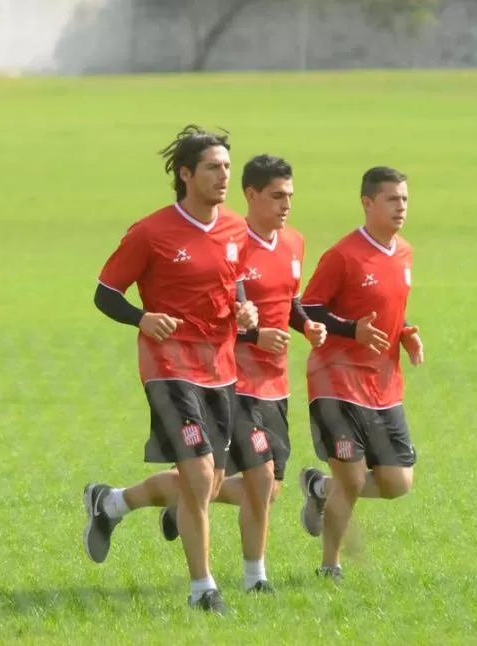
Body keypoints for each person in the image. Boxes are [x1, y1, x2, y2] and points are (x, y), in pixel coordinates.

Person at [83, 125, 258, 614]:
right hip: (168, 366)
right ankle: (204, 589)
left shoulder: (236, 228)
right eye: (212, 167)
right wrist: (143, 317)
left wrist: (247, 313)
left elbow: (237, 283)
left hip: (220, 368)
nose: (223, 175)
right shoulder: (150, 232)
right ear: (185, 174)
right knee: (201, 477)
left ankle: (111, 503)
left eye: (226, 166)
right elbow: (105, 293)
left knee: (208, 483)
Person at [153, 155, 328, 593]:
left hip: (276, 383)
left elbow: (288, 300)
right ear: (251, 196)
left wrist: (305, 324)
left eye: (290, 195)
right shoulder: (232, 243)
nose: (286, 204)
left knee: (262, 490)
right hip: (233, 379)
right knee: (258, 477)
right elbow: (218, 317)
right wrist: (254, 339)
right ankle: (256, 579)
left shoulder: (294, 243)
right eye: (276, 196)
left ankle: (119, 502)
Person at [295, 166, 425, 581]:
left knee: (397, 481)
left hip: (383, 385)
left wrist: (403, 333)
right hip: (336, 380)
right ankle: (329, 566)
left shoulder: (404, 252)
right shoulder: (343, 255)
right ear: (368, 203)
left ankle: (319, 490)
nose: (400, 206)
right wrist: (351, 330)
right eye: (392, 199)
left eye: (404, 198)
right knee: (350, 477)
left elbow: (391, 308)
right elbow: (307, 307)